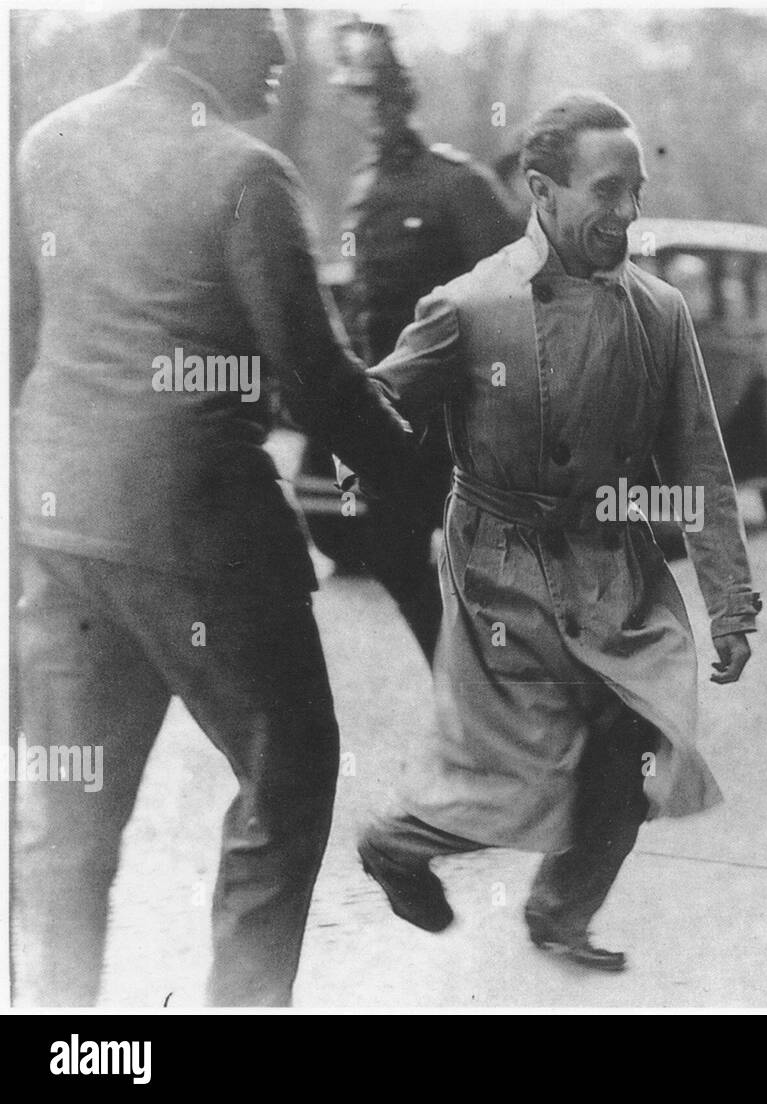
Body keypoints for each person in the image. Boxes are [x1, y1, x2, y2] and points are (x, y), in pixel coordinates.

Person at [11, 9, 422, 1006]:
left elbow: (16, 339)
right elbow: (314, 375)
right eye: (265, 29)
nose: (285, 59)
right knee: (289, 772)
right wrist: (414, 467)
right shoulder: (245, 173)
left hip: (60, 526)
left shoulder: (46, 142)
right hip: (200, 530)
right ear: (198, 25)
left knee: (66, 820)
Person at [356, 91, 760, 971]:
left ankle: (561, 911)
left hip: (615, 561)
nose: (626, 212)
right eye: (606, 191)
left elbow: (699, 462)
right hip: (501, 562)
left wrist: (731, 599)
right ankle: (402, 842)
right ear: (542, 190)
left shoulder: (659, 311)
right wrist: (362, 462)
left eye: (636, 191)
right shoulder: (468, 305)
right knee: (531, 761)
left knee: (637, 736)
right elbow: (379, 399)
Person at [300, 20, 521, 663]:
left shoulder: (457, 184)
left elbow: (514, 291)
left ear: (404, 96)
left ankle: (503, 699)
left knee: (488, 564)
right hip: (394, 408)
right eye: (356, 96)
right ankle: (459, 682)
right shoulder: (366, 189)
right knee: (392, 549)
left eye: (379, 95)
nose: (368, 110)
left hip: (460, 409)